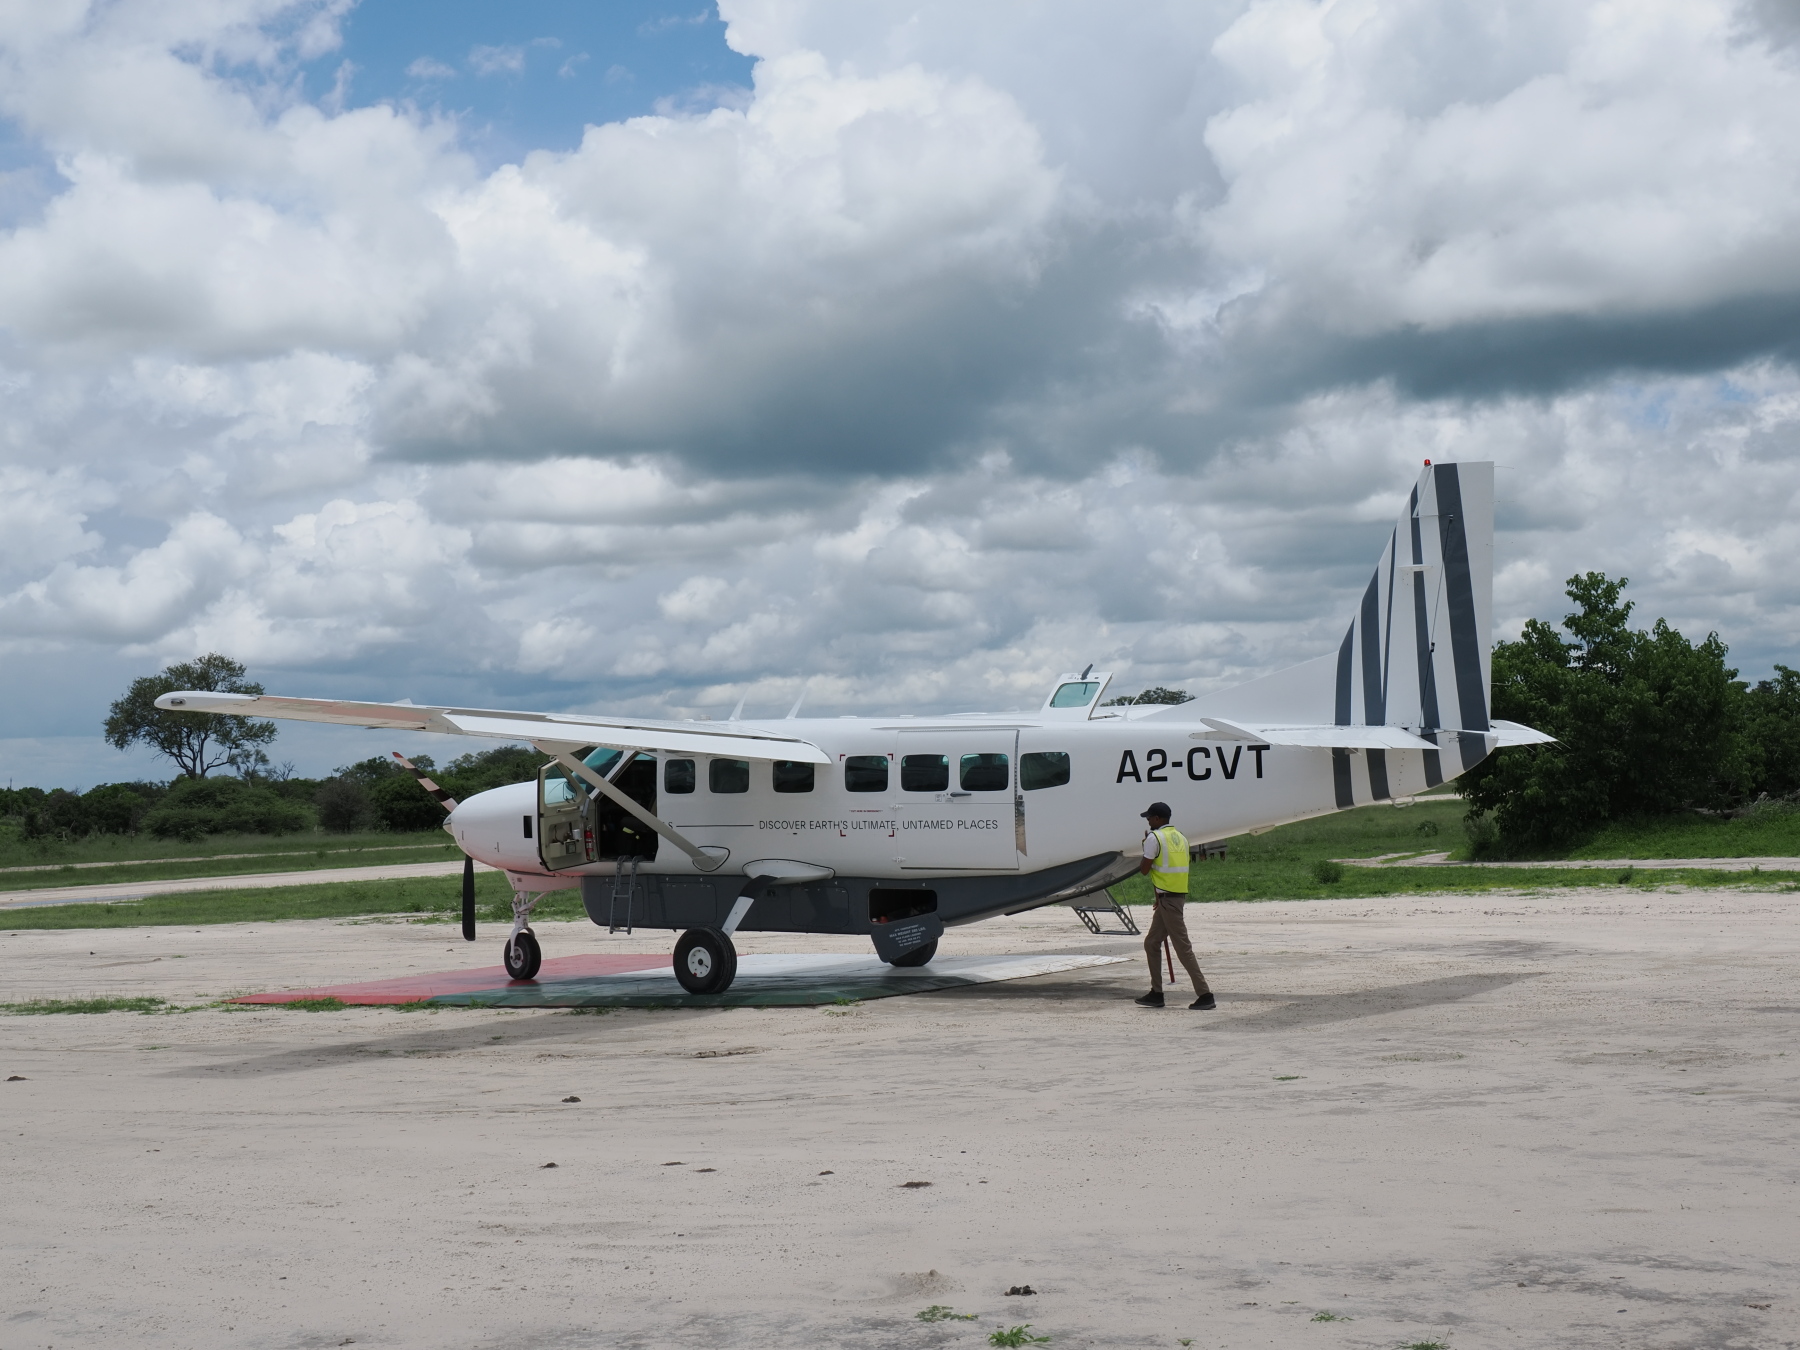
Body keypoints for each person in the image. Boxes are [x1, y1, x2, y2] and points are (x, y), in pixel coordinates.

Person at [1132, 802, 1215, 1010]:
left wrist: (1145, 847)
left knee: (1183, 948)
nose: (1148, 821)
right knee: (1151, 942)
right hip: (1171, 898)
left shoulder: (1154, 838)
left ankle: (1205, 995)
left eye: (1150, 817)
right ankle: (1156, 993)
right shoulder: (1181, 838)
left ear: (1158, 819)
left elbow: (1144, 869)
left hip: (1168, 900)